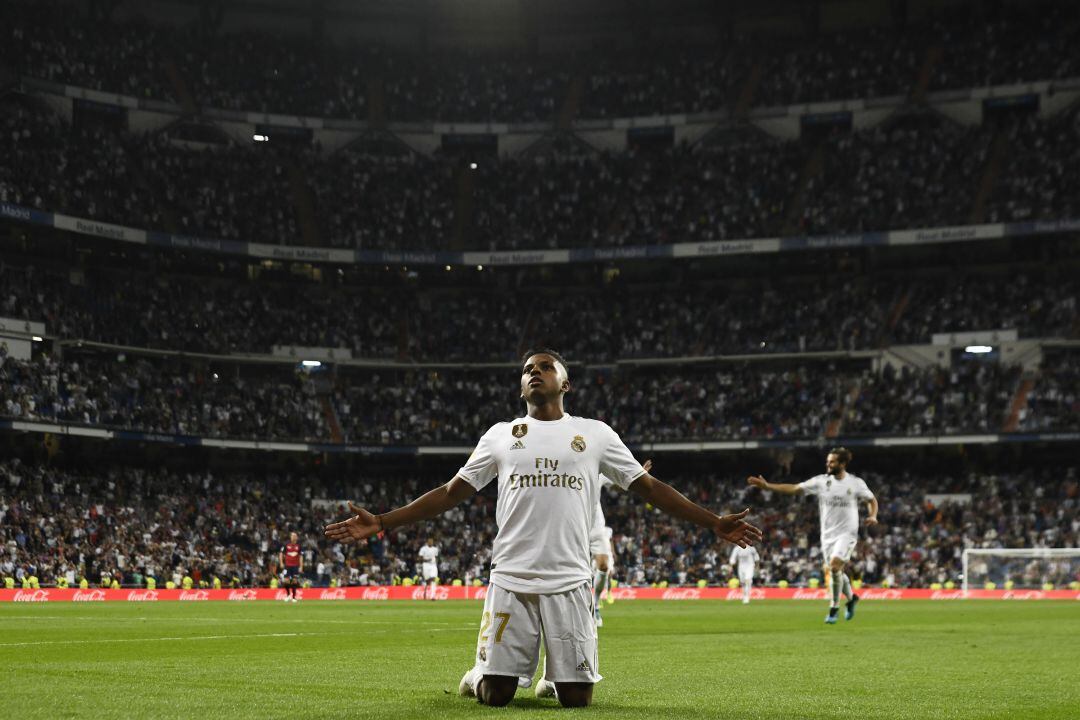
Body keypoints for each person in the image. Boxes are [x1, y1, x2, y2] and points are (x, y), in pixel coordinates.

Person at [325, 349, 762, 707]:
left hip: (571, 579)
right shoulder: (500, 434)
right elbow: (449, 492)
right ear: (521, 387)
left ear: (565, 384)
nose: (535, 373)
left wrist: (712, 522)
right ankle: (481, 671)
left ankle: (555, 677)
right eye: (528, 370)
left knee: (577, 700)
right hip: (511, 576)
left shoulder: (595, 434)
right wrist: (382, 521)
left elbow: (649, 487)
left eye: (545, 367)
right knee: (495, 696)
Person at [747, 447, 878, 623]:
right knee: (836, 570)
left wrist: (873, 515)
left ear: (843, 464)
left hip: (847, 534)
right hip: (827, 536)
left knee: (834, 566)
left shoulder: (855, 483)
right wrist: (768, 486)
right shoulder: (821, 482)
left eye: (832, 462)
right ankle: (852, 598)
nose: (828, 464)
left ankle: (833, 608)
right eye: (827, 461)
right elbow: (794, 489)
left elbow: (871, 500)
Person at [279, 532, 303, 602]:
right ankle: (288, 595)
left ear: (297, 537)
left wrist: (301, 566)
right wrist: (281, 563)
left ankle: (294, 597)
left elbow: (301, 556)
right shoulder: (286, 545)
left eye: (295, 535)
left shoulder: (299, 546)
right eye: (292, 535)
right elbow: (281, 554)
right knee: (286, 581)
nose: (293, 537)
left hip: (295, 566)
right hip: (287, 566)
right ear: (290, 537)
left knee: (294, 581)